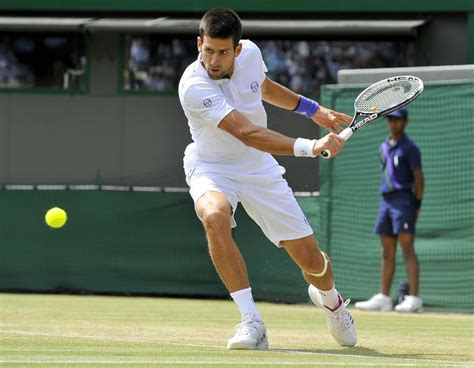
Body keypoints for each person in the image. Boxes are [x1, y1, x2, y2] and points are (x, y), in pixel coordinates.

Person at [178, 8, 357, 350]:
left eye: (223, 52)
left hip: (259, 169)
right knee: (215, 216)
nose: (214, 60)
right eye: (208, 50)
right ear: (199, 43)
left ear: (238, 50)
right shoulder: (193, 87)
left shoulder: (252, 54)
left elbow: (262, 86)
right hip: (212, 167)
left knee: (313, 264)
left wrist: (313, 110)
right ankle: (252, 322)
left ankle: (333, 304)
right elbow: (246, 132)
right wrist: (311, 146)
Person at [355, 108, 424, 313]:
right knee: (387, 251)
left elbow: (419, 179)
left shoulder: (410, 148)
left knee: (407, 247)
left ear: (406, 122)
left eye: (398, 120)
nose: (394, 124)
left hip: (404, 200)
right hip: (386, 201)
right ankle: (384, 297)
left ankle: (414, 298)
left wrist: (416, 205)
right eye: (391, 120)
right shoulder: (383, 147)